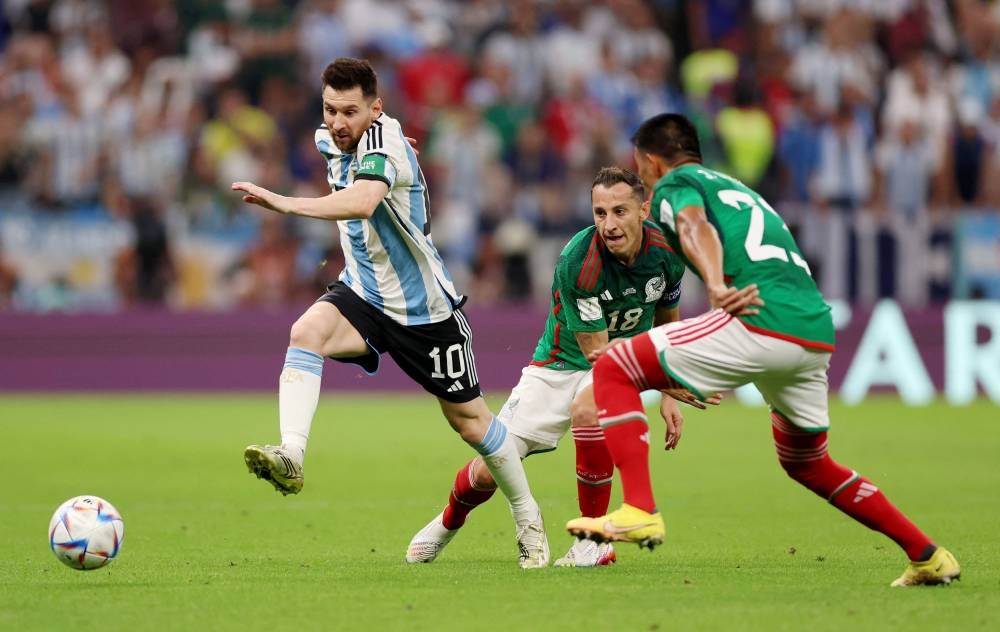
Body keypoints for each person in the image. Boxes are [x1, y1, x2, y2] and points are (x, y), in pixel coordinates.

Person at [565, 113, 960, 587]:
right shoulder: (735, 189)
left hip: (758, 317)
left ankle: (639, 508)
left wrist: (713, 282)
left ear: (650, 163)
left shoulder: (676, 186)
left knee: (614, 365)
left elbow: (694, 227)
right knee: (807, 463)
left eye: (640, 167)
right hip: (813, 329)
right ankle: (927, 555)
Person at [231, 57, 547, 569]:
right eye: (330, 109)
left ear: (375, 109)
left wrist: (284, 204)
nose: (337, 122)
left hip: (425, 309)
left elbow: (362, 201)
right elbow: (359, 157)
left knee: (471, 424)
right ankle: (292, 454)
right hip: (365, 294)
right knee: (306, 331)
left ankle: (527, 516)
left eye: (350, 112)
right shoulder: (332, 137)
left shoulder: (383, 144)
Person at [406, 166, 692, 568]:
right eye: (599, 212)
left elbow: (667, 318)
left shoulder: (667, 253)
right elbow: (596, 353)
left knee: (588, 408)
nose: (608, 224)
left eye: (620, 211)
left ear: (643, 210)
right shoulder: (580, 261)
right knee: (493, 466)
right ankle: (449, 520)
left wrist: (666, 391)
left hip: (620, 359)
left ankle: (592, 540)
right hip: (561, 363)